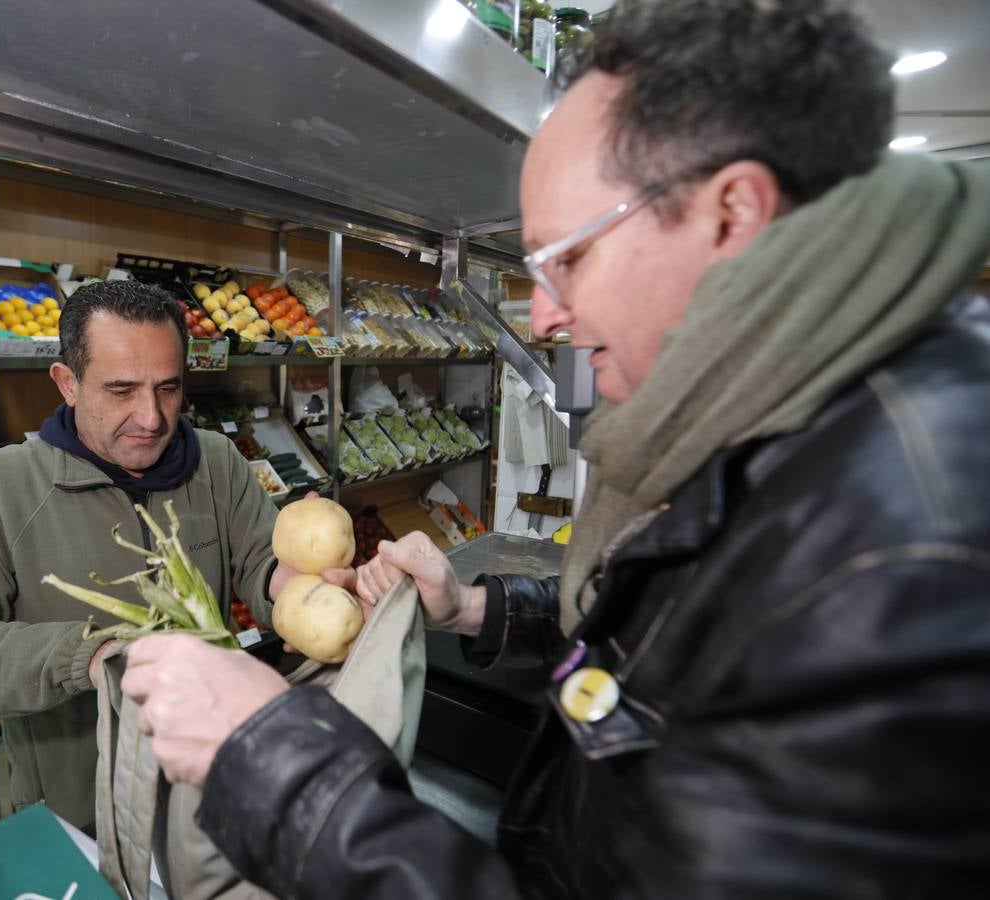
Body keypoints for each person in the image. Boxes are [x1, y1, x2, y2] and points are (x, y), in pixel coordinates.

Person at [119, 0, 990, 896]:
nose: (542, 315)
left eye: (566, 258)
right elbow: (662, 626)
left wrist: (272, 762)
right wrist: (472, 608)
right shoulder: (789, 414)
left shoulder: (908, 546)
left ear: (731, 214)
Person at [0, 280, 295, 829]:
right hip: (78, 812)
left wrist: (291, 585)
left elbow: (260, 562)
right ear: (68, 383)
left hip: (210, 784)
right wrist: (89, 657)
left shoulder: (216, 460)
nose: (151, 418)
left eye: (168, 389)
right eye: (121, 390)